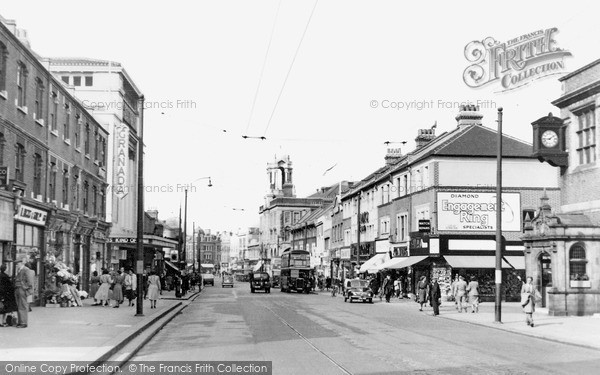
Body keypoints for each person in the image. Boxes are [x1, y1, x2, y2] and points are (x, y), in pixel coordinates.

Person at [13, 257, 34, 328]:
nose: (16, 265)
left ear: (21, 263)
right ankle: (20, 321)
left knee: (23, 306)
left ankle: (23, 322)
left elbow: (30, 281)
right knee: (19, 306)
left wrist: (25, 288)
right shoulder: (20, 270)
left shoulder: (26, 270)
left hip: (22, 289)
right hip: (18, 289)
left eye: (17, 264)